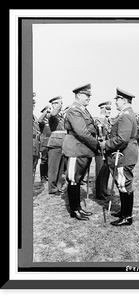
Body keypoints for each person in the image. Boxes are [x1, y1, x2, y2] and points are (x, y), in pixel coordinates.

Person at [99, 87, 139, 226]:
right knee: (122, 184)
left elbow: (122, 139)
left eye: (117, 100)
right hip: (124, 154)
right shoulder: (127, 113)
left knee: (124, 185)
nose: (115, 102)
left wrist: (105, 145)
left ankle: (127, 217)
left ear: (123, 100)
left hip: (123, 155)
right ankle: (123, 212)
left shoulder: (125, 115)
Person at [62, 83, 99, 221]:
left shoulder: (82, 109)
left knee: (77, 180)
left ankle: (78, 208)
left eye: (90, 95)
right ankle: (74, 210)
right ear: (78, 95)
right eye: (87, 95)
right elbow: (82, 132)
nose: (89, 98)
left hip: (82, 149)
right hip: (75, 149)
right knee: (73, 180)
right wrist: (97, 145)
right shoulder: (74, 110)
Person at [47, 96, 67, 195]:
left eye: (61, 103)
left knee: (60, 168)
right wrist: (59, 105)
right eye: (58, 103)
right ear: (53, 104)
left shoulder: (61, 116)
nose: (60, 105)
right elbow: (54, 113)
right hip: (55, 144)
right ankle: (52, 188)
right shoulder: (51, 115)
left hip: (63, 143)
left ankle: (58, 187)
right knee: (53, 168)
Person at [94, 101, 112, 200]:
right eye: (107, 109)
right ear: (102, 109)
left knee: (106, 170)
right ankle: (99, 192)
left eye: (110, 109)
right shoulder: (99, 121)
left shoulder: (108, 120)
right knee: (100, 170)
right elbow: (99, 136)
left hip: (107, 147)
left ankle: (104, 188)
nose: (109, 111)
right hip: (100, 149)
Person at [38, 105, 51, 183]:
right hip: (45, 142)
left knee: (49, 160)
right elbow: (39, 120)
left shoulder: (50, 120)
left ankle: (46, 175)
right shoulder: (42, 121)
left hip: (51, 142)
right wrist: (45, 111)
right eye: (47, 111)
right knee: (44, 160)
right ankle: (42, 176)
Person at [32, 92, 40, 183]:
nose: (33, 105)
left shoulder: (34, 117)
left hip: (35, 146)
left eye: (33, 104)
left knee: (33, 168)